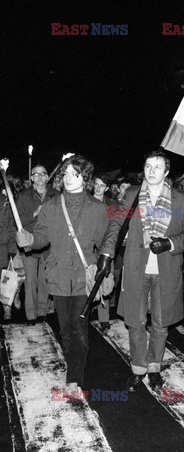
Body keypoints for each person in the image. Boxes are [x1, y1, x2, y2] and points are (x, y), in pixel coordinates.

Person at [16, 155, 120, 389]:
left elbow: (107, 241)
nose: (69, 178)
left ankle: (74, 377)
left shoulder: (97, 208)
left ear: (85, 178)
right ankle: (73, 362)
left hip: (85, 276)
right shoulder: (51, 206)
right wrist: (29, 239)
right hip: (59, 275)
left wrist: (107, 266)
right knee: (65, 329)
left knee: (79, 327)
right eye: (66, 174)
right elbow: (42, 237)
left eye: (75, 174)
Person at [117, 150, 184, 392]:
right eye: (148, 166)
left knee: (161, 325)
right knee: (136, 322)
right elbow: (116, 225)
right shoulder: (132, 195)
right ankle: (137, 369)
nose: (151, 171)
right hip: (136, 268)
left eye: (157, 167)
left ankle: (154, 368)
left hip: (166, 269)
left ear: (166, 172)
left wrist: (170, 243)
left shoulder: (180, 199)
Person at [16, 164, 59, 325]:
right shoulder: (23, 196)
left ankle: (42, 312)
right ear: (32, 177)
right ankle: (31, 315)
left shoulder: (56, 195)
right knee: (30, 281)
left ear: (47, 176)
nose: (40, 177)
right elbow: (17, 221)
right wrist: (34, 214)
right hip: (30, 244)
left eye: (43, 174)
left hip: (48, 245)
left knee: (44, 280)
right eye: (36, 174)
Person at [92, 173, 116, 332]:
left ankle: (104, 318)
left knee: (105, 281)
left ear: (107, 188)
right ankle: (84, 313)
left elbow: (117, 226)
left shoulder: (112, 205)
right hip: (89, 248)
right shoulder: (85, 201)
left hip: (106, 248)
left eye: (102, 185)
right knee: (87, 282)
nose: (98, 188)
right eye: (96, 184)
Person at [0, 184, 18, 321]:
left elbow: (12, 229)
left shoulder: (12, 206)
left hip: (5, 249)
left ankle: (7, 307)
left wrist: (12, 249)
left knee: (6, 280)